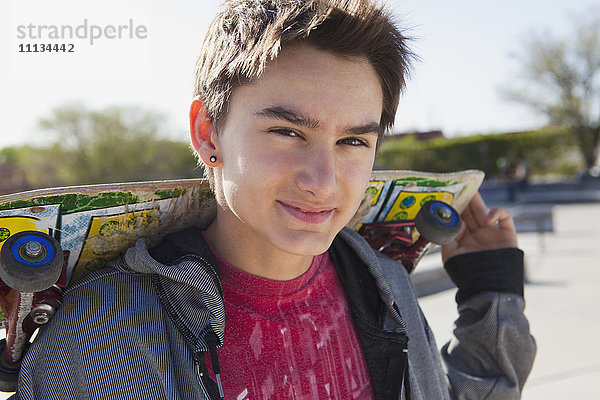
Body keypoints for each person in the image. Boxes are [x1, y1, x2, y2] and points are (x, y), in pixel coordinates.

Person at [12, 0, 536, 399]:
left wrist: (493, 292)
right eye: (287, 132)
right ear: (208, 133)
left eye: (353, 141)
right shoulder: (105, 324)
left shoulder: (386, 285)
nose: (323, 181)